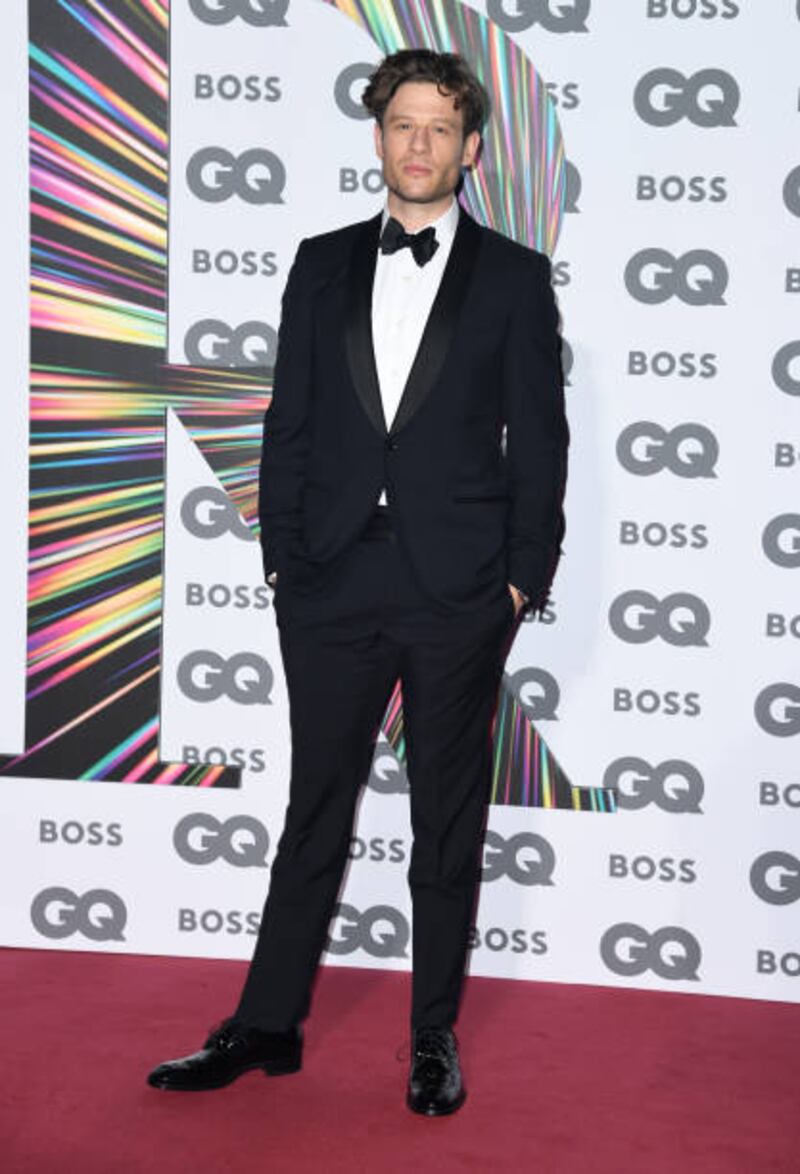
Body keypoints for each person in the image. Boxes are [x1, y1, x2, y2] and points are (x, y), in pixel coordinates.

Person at [148, 48, 568, 1117]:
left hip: (456, 593)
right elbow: (285, 425)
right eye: (402, 124)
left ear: (470, 150)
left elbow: (542, 443)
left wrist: (519, 581)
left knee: (444, 823)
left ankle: (430, 1038)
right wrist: (282, 558)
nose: (418, 145)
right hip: (327, 582)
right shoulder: (320, 261)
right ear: (376, 137)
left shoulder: (513, 277)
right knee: (313, 811)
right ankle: (265, 1024)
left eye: (439, 129)